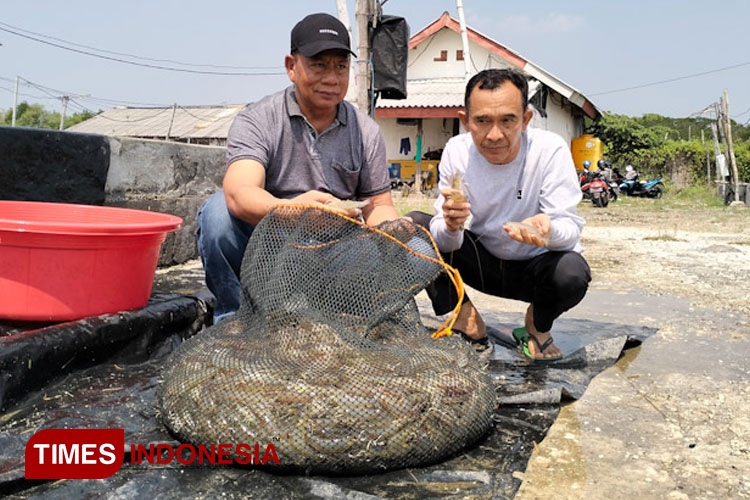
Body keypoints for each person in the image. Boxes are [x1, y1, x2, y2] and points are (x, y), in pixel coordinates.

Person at [198, 12, 400, 323]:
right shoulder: (259, 118)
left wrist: (394, 230)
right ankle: (235, 323)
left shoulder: (365, 130)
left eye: (340, 67)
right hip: (267, 245)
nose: (331, 78)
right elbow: (239, 193)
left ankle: (341, 321)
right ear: (292, 67)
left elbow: (379, 206)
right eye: (318, 65)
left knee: (394, 246)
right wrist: (295, 212)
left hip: (335, 249)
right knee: (217, 214)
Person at [408, 68, 591, 362]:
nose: (494, 135)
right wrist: (452, 226)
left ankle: (538, 326)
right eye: (482, 121)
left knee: (573, 271)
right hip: (481, 263)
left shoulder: (550, 150)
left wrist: (548, 231)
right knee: (415, 226)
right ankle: (465, 319)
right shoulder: (457, 151)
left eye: (508, 120)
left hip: (533, 268)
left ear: (526, 120)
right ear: (465, 121)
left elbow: (570, 231)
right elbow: (445, 242)